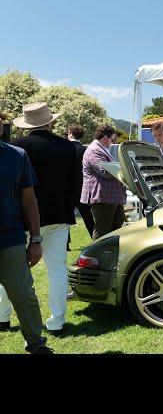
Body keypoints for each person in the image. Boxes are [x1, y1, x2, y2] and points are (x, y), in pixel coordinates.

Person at [8, 102, 79, 334]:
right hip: (59, 215)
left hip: (23, 217)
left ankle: (2, 316)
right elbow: (74, 185)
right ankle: (57, 320)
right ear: (50, 122)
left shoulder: (16, 147)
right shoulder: (68, 148)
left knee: (11, 268)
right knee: (57, 269)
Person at [0, 113, 51, 353]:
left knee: (24, 296)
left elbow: (29, 201)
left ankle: (36, 344)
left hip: (10, 240)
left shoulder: (17, 156)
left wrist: (36, 239)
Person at [81, 124, 127, 240]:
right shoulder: (94, 150)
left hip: (110, 197)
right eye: (112, 139)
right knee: (102, 231)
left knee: (116, 229)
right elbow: (104, 170)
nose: (112, 142)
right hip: (102, 196)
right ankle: (94, 257)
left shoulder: (101, 149)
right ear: (106, 137)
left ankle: (110, 255)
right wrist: (125, 170)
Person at [67, 125, 95, 237]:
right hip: (82, 187)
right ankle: (95, 237)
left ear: (70, 133)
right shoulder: (86, 150)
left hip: (68, 188)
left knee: (66, 218)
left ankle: (66, 242)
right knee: (88, 216)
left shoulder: (65, 149)